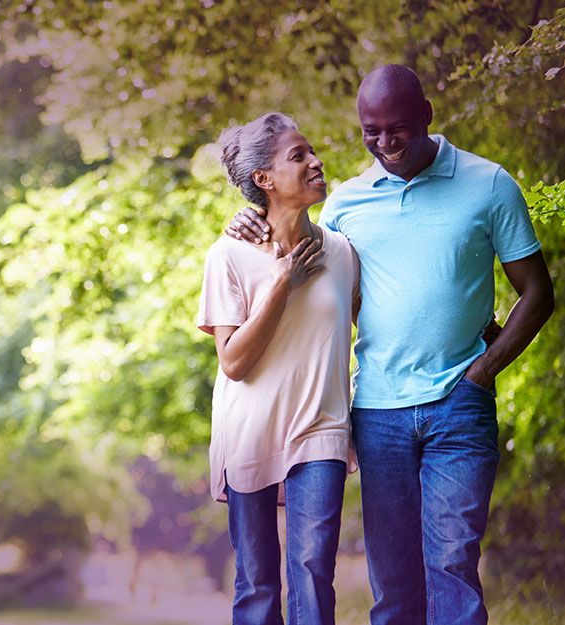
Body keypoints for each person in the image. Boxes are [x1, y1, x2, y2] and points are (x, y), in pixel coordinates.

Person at [225, 65, 554, 625]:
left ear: (426, 114)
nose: (385, 143)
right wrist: (249, 219)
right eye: (370, 133)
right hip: (377, 411)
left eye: (396, 128)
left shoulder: (489, 184)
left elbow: (538, 293)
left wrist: (483, 370)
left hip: (459, 403)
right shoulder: (347, 203)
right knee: (394, 579)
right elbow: (307, 262)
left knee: (452, 561)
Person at [198, 112, 360, 625]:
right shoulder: (228, 255)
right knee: (257, 583)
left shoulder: (344, 252)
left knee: (313, 572)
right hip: (249, 433)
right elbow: (235, 362)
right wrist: (281, 286)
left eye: (311, 151)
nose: (315, 162)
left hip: (322, 428)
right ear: (264, 181)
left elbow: (385, 323)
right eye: (298, 156)